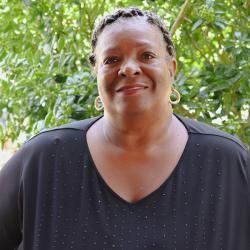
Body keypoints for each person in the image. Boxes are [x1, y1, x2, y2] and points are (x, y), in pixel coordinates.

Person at [0, 7, 249, 250]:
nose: (129, 68)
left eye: (146, 55)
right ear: (96, 74)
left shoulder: (229, 163)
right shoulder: (43, 160)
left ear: (172, 68)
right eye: (112, 59)